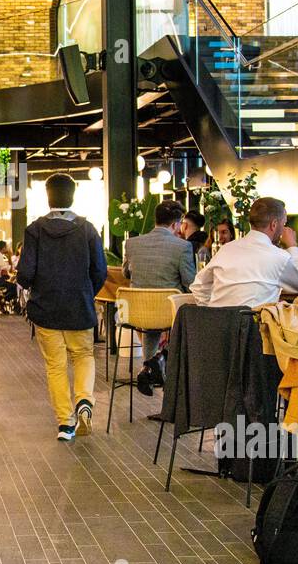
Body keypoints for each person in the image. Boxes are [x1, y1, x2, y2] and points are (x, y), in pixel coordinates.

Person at [15, 172, 107, 441]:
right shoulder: (88, 228)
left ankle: (65, 425)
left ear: (48, 197)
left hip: (46, 309)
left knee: (56, 366)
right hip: (79, 307)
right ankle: (84, 402)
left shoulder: (35, 230)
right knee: (83, 356)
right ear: (73, 195)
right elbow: (99, 270)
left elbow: (25, 273)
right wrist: (86, 292)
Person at [190, 197, 298, 309]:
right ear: (274, 225)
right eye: (283, 224)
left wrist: (214, 314)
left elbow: (198, 287)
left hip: (217, 329)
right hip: (254, 329)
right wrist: (292, 246)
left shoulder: (226, 249)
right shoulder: (279, 257)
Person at [121, 198, 196, 374]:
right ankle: (165, 362)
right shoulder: (183, 246)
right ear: (177, 225)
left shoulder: (132, 243)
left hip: (136, 312)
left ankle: (149, 366)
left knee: (150, 315)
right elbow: (190, 282)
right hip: (167, 313)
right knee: (184, 306)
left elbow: (126, 274)